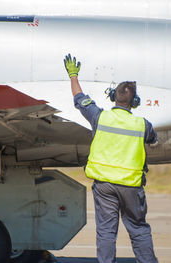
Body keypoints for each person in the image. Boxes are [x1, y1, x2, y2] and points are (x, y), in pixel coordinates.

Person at [64, 54, 158, 263]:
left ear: (112, 97)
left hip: (104, 186)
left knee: (106, 231)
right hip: (131, 187)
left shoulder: (100, 117)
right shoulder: (143, 125)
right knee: (138, 229)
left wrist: (73, 76)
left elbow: (80, 100)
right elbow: (153, 139)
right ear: (134, 102)